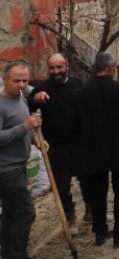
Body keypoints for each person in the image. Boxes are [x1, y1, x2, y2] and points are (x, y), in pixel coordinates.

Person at [74, 52, 119, 248]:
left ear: (95, 68)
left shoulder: (81, 94)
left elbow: (78, 127)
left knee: (97, 194)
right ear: (111, 68)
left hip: (93, 153)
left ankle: (100, 232)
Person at [27, 53, 89, 229]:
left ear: (66, 66)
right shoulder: (41, 87)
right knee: (61, 187)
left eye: (59, 67)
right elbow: (27, 104)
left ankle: (91, 211)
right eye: (52, 68)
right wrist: (35, 99)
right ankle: (69, 217)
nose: (55, 71)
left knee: (87, 179)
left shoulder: (77, 83)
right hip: (56, 147)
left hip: (79, 143)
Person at [0, 62, 43, 259]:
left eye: (25, 80)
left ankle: (8, 257)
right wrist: (25, 126)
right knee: (26, 212)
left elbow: (26, 126)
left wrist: (36, 138)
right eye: (16, 80)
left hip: (19, 166)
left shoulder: (21, 99)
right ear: (4, 79)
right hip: (5, 170)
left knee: (10, 213)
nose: (22, 84)